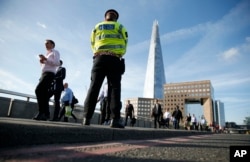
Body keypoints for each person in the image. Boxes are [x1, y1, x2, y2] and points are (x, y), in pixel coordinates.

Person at [82, 9, 128, 128]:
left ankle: (86, 118)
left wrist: (97, 52)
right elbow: (125, 42)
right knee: (114, 89)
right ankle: (115, 120)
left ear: (105, 17)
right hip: (114, 59)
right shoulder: (120, 26)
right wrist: (120, 53)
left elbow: (92, 42)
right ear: (116, 18)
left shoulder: (97, 26)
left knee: (94, 86)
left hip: (99, 58)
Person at [34, 39, 60, 121]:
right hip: (44, 74)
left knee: (38, 90)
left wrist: (46, 59)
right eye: (45, 44)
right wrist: (42, 61)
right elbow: (44, 66)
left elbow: (56, 63)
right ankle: (46, 114)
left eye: (47, 43)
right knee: (44, 95)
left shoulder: (55, 52)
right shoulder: (47, 54)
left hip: (49, 74)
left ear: (52, 44)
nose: (45, 45)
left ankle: (42, 112)